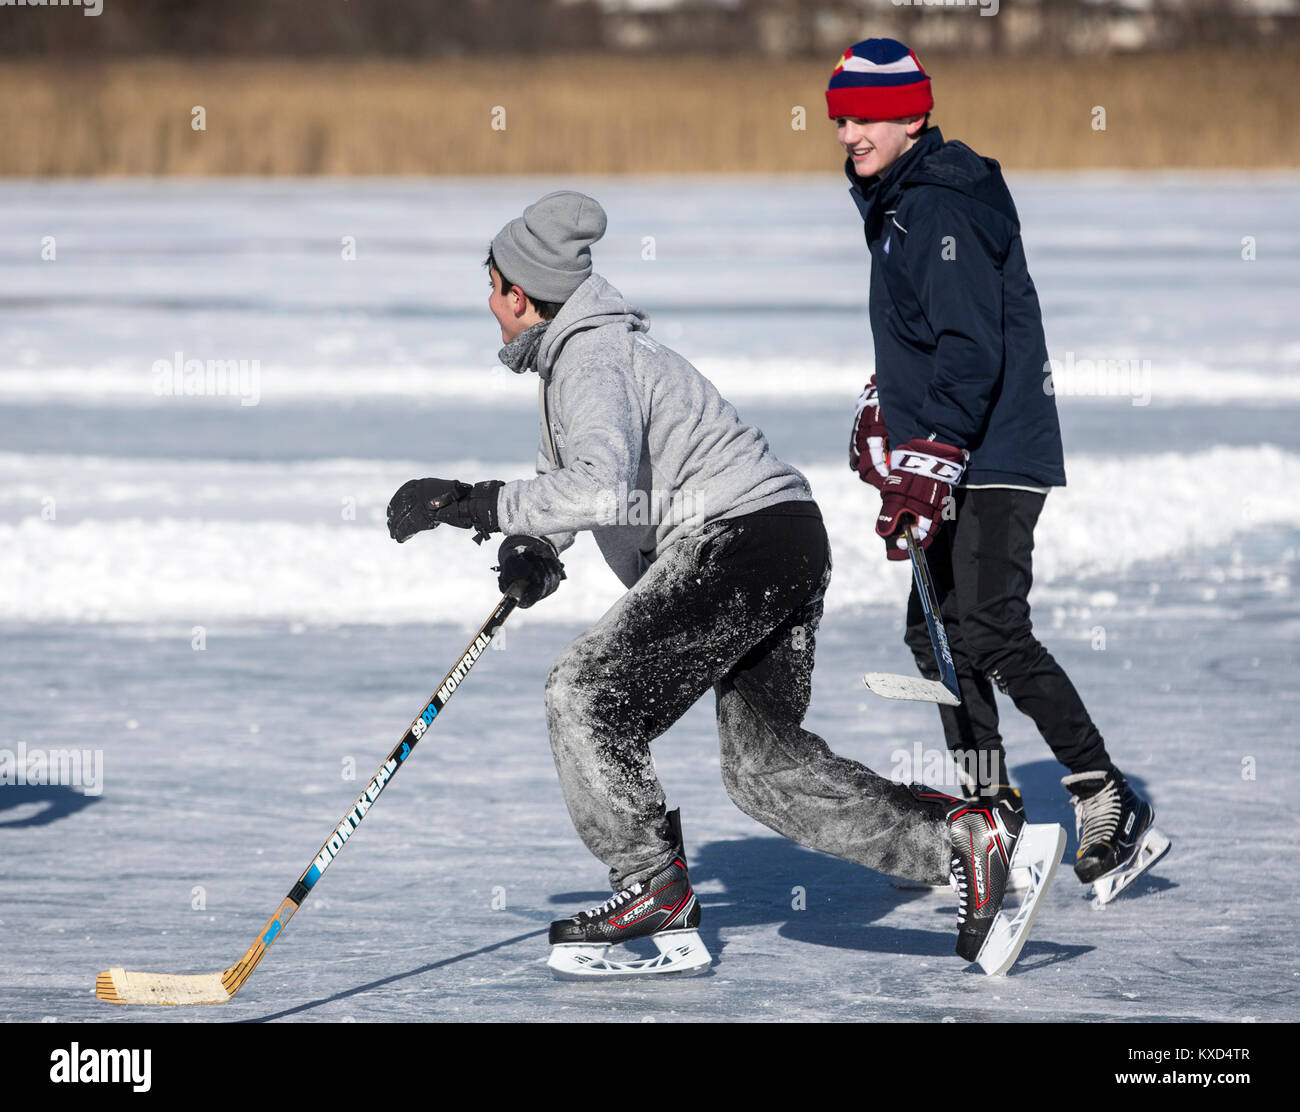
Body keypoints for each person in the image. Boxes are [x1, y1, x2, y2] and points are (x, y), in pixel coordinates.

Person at [385, 190, 1061, 976]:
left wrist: (475, 503)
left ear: (521, 295)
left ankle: (650, 885)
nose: (487, 301)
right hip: (784, 539)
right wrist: (537, 544)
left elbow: (599, 484)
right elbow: (585, 481)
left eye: (491, 283)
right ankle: (964, 844)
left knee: (583, 693)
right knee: (763, 768)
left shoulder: (591, 359)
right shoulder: (586, 356)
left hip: (735, 541)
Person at [829, 38, 1168, 900]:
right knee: (933, 633)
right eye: (840, 116)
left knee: (987, 628)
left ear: (913, 116)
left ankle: (1104, 796)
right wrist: (885, 409)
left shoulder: (939, 205)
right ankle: (991, 804)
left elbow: (972, 348)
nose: (848, 133)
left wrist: (930, 454)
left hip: (992, 451)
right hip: (955, 444)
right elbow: (924, 337)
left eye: (866, 116)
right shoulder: (900, 202)